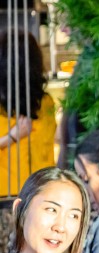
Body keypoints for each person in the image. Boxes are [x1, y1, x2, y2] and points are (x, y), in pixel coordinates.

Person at [0, 30, 56, 196]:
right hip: (14, 196)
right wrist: (12, 137)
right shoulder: (45, 102)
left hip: (38, 193)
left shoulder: (45, 102)